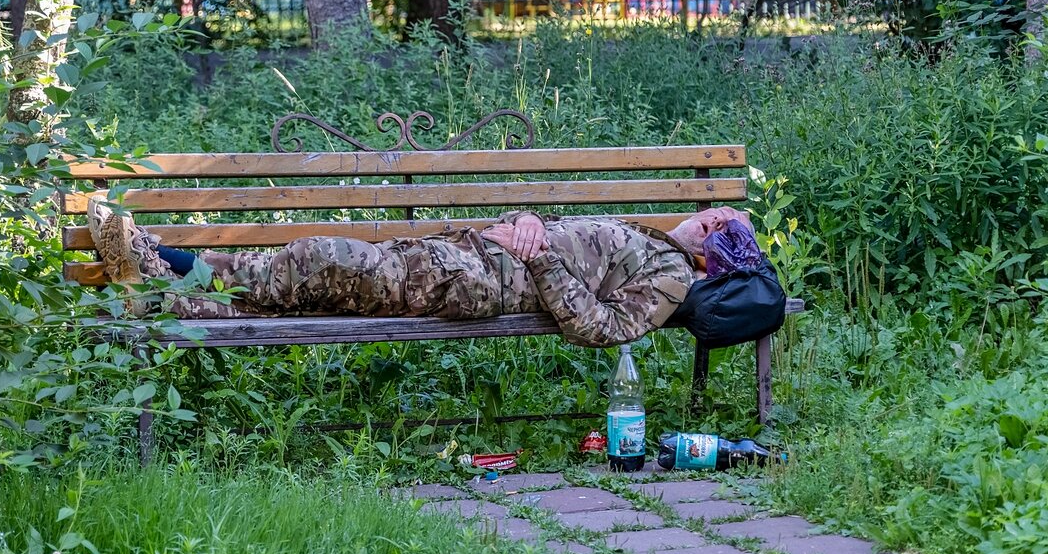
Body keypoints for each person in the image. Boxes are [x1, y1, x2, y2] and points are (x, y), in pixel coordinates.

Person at [87, 197, 752, 348]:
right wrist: (527, 220)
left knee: (323, 260)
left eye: (713, 216)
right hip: (463, 255)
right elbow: (566, 242)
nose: (702, 213)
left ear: (713, 241)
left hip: (473, 281)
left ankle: (158, 264)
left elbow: (600, 328)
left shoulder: (672, 278)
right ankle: (156, 288)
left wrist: (538, 253)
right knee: (312, 289)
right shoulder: (653, 241)